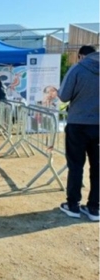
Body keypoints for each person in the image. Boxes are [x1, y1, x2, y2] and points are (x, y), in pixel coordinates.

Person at [58, 45, 99, 222]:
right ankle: (94, 207)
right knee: (97, 167)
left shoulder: (78, 68)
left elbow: (64, 96)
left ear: (81, 56)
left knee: (76, 165)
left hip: (78, 123)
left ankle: (73, 205)